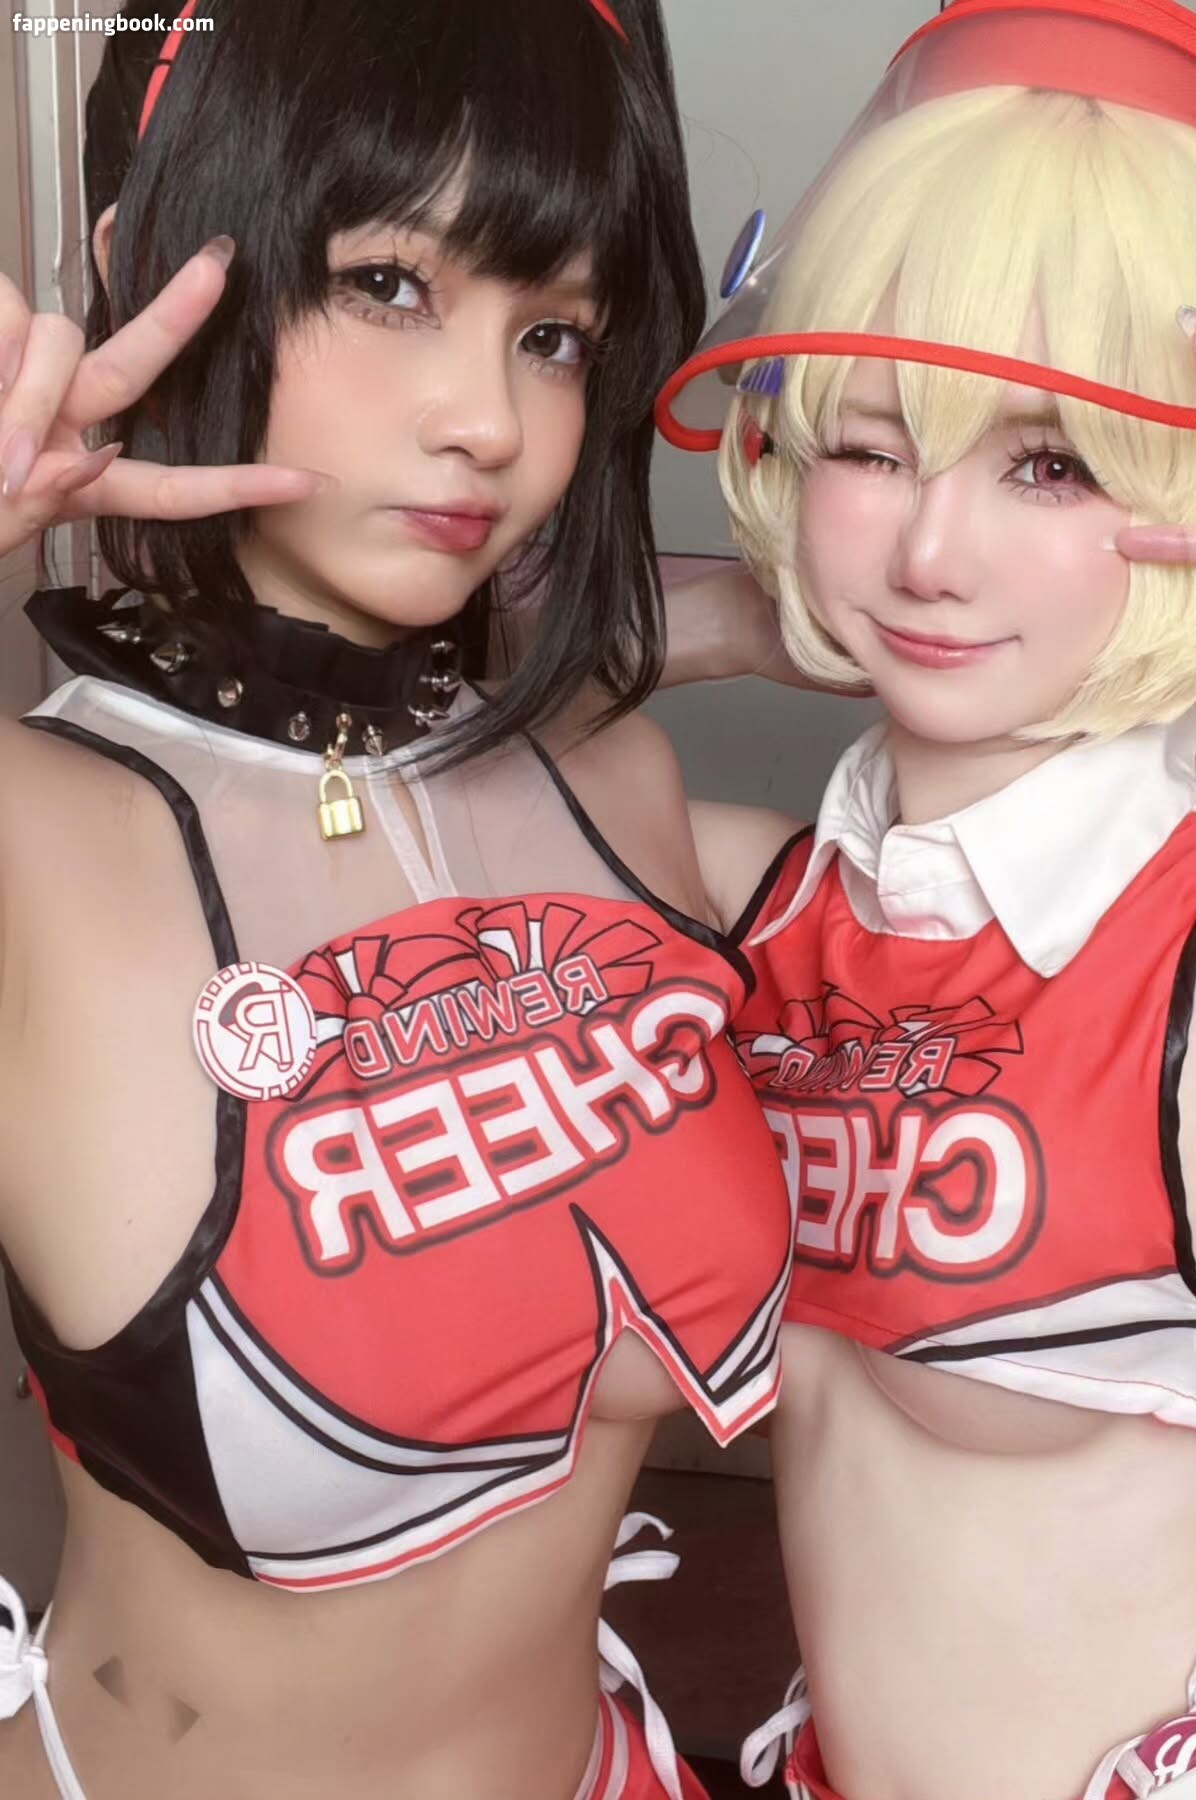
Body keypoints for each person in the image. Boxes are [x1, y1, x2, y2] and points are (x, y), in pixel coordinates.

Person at [0, 4, 794, 1797]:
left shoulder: (616, 789)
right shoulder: (39, 838)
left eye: (553, 333)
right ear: (142, 264)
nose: (490, 421)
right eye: (385, 283)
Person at [656, 1, 1196, 1793]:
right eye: (869, 449)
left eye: (1052, 462)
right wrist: (729, 614)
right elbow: (380, 762)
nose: (933, 553)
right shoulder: (740, 894)